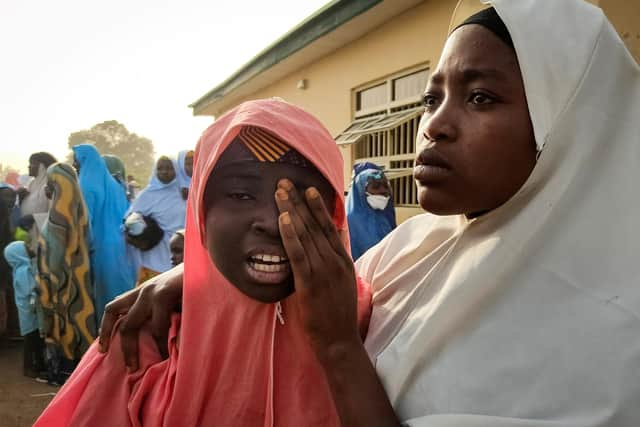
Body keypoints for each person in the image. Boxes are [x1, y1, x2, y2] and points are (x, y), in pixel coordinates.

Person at [89, 1, 640, 425]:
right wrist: (199, 275)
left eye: (480, 98)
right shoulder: (420, 244)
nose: (434, 126)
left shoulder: (612, 342)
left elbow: (333, 325)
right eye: (432, 98)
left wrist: (337, 347)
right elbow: (319, 283)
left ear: (573, 127)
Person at [34, 99, 373, 426]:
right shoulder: (148, 338)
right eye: (240, 195)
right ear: (200, 212)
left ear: (334, 213)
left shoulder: (370, 322)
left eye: (300, 198)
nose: (272, 222)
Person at [37, 162, 97, 384]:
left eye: (50, 183)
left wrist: (49, 286)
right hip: (76, 284)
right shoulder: (78, 212)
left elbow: (54, 261)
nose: (46, 189)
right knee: (77, 323)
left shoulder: (58, 218)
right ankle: (76, 371)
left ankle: (62, 372)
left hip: (58, 288)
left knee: (63, 326)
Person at [72, 144, 135, 322]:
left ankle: (107, 334)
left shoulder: (87, 185)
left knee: (105, 291)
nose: (74, 164)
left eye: (76, 159)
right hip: (120, 241)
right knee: (121, 286)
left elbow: (85, 221)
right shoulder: (114, 184)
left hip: (100, 244)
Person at [124, 156, 186, 284]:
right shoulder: (147, 195)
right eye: (160, 168)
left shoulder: (183, 193)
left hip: (179, 249)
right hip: (154, 250)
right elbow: (129, 219)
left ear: (176, 170)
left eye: (169, 168)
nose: (164, 171)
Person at [3, 241, 46, 379]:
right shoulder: (23, 271)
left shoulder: (25, 267)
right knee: (31, 340)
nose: (30, 248)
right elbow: (30, 290)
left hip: (30, 310)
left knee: (36, 340)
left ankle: (39, 365)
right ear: (18, 254)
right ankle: (29, 368)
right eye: (26, 248)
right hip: (29, 311)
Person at [346, 167, 396, 260]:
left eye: (385, 186)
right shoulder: (349, 223)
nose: (383, 190)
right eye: (375, 187)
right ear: (361, 191)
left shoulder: (385, 216)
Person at [19, 152, 57, 218]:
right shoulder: (31, 183)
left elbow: (55, 214)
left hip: (42, 227)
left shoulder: (51, 185)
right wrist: (20, 198)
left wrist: (35, 218)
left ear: (42, 166)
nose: (29, 166)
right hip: (27, 227)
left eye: (32, 163)